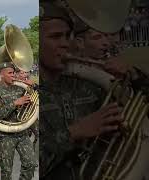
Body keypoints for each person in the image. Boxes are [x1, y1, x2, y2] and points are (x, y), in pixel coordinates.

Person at [40, 2, 149, 179]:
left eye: (68, 36)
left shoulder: (89, 85)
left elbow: (140, 111)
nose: (65, 43)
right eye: (55, 37)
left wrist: (134, 77)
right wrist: (74, 133)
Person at [0, 62, 37, 180]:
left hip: (22, 132)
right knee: (6, 170)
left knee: (30, 164)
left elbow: (34, 103)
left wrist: (34, 87)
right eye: (10, 73)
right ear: (2, 74)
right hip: (5, 135)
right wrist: (15, 103)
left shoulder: (20, 87)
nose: (13, 75)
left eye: (14, 72)